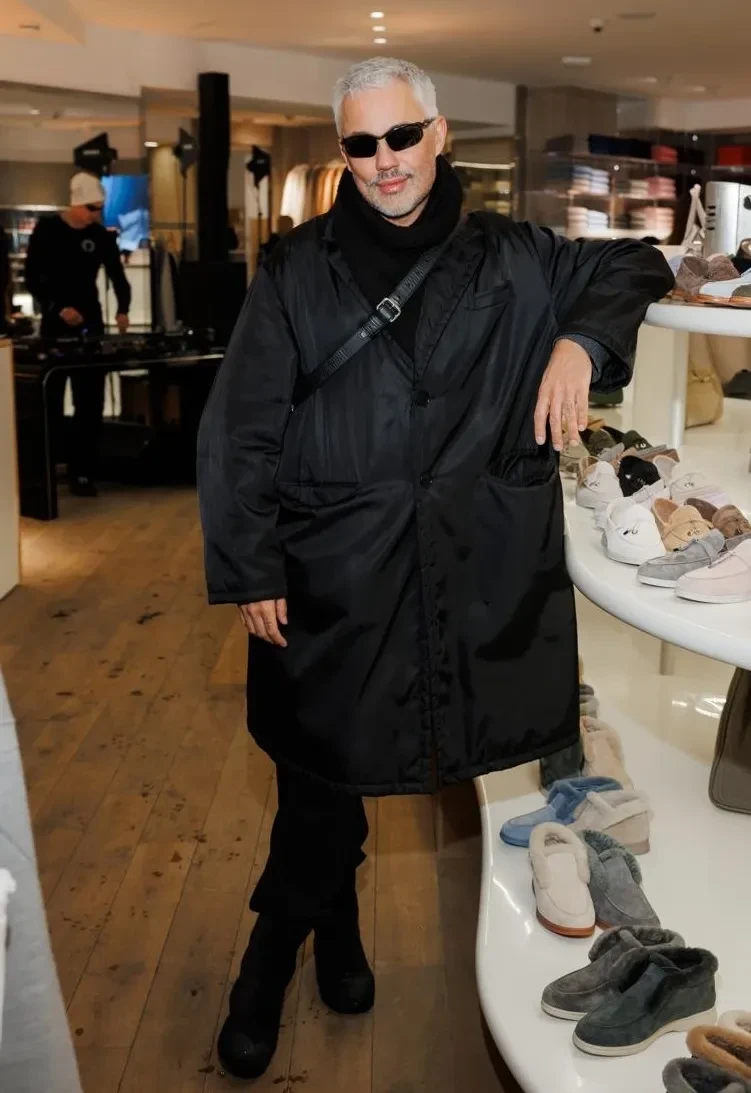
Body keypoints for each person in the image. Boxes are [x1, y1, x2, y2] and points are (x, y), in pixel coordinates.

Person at [197, 57, 673, 1080]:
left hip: (465, 568)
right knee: (319, 780)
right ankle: (273, 955)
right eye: (361, 144)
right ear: (345, 153)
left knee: (373, 762)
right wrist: (249, 565)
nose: (385, 161)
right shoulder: (296, 268)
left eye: (402, 136)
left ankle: (330, 936)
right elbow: (240, 427)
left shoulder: (516, 254)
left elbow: (639, 262)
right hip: (329, 567)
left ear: (440, 132)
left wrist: (578, 345)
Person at [25, 171, 131, 496]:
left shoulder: (99, 236)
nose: (94, 215)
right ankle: (48, 466)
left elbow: (117, 275)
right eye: (90, 208)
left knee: (90, 401)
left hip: (90, 323)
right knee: (51, 400)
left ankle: (83, 471)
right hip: (55, 325)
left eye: (99, 209)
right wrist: (57, 307)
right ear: (75, 204)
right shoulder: (47, 231)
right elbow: (33, 277)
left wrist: (123, 308)